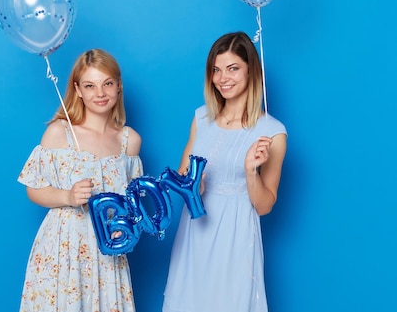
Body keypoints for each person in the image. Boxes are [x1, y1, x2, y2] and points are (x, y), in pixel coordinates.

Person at [162, 31, 288, 312]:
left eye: (233, 68)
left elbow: (265, 205)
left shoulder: (273, 132)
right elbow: (183, 178)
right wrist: (194, 186)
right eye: (216, 70)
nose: (222, 78)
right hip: (195, 232)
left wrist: (250, 171)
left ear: (251, 70)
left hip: (235, 235)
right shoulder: (201, 118)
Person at [17, 49, 143, 312]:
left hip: (107, 251)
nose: (100, 93)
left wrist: (126, 227)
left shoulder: (129, 141)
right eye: (90, 85)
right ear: (78, 90)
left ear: (118, 86)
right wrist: (67, 196)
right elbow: (33, 188)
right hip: (64, 249)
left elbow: (133, 204)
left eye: (107, 83)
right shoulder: (58, 133)